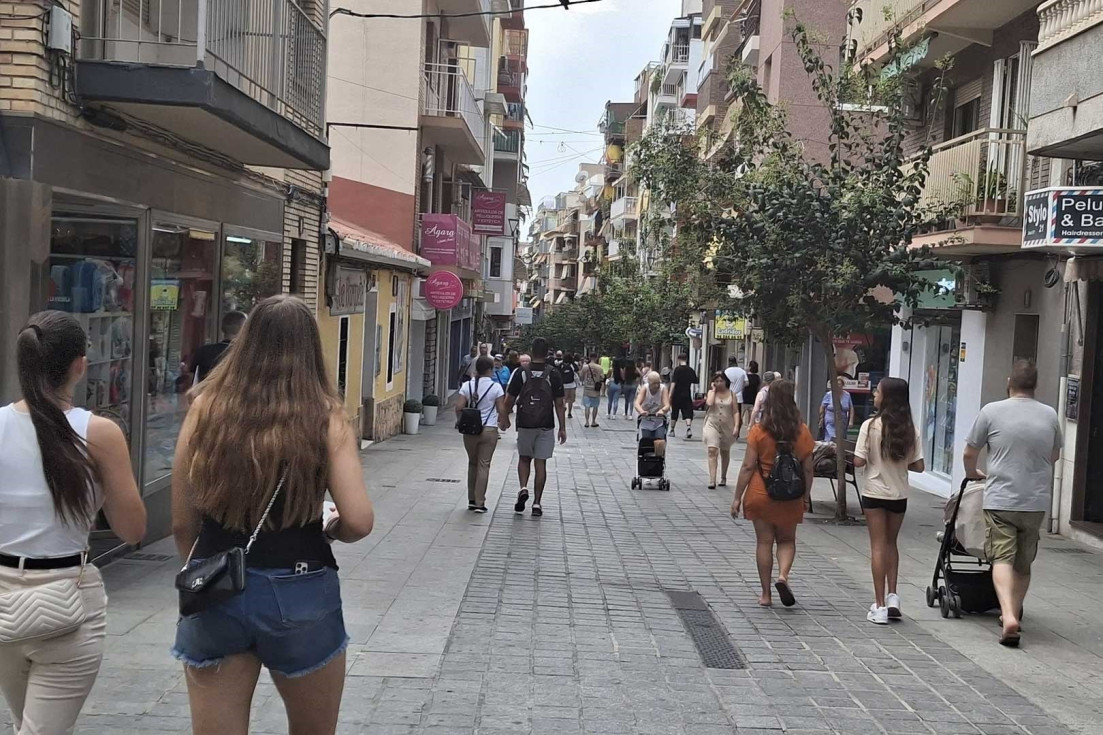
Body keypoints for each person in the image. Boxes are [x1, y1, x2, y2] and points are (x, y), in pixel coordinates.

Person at [171, 295, 375, 735]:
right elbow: (359, 519)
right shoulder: (325, 418)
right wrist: (331, 529)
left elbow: (182, 522)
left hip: (216, 587)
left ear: (245, 341)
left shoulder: (205, 409)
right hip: (300, 586)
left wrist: (209, 564)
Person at [0, 311, 147, 735]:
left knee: (24, 726)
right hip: (69, 601)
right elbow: (133, 530)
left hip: (4, 596)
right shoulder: (98, 432)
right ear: (79, 366)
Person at [963, 361, 1061, 648]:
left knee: (1002, 558)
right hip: (1035, 501)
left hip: (1001, 499)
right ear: (1035, 385)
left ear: (1009, 382)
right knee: (1024, 561)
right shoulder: (1050, 415)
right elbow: (1054, 454)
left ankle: (1007, 615)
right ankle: (1015, 609)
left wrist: (973, 473)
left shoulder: (991, 411)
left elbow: (970, 452)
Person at [731, 379, 814, 608]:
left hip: (761, 492)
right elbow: (808, 467)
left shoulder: (759, 430)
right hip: (791, 494)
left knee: (764, 543)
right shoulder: (802, 431)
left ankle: (766, 594)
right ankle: (783, 576)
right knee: (787, 540)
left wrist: (737, 497)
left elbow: (748, 466)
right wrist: (806, 495)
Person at [852, 378, 924, 625]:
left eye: (878, 392)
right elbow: (919, 465)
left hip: (874, 492)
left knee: (877, 546)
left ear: (886, 398)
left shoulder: (870, 426)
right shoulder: (909, 429)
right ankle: (894, 596)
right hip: (899, 494)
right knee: (892, 544)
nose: (874, 394)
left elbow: (859, 462)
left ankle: (879, 605)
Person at [500, 337, 566, 518]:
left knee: (524, 458)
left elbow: (510, 398)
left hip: (525, 423)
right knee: (540, 463)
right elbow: (559, 403)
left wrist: (504, 418)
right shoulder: (553, 374)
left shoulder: (522, 372)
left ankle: (523, 488)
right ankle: (537, 503)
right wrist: (562, 427)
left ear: (532, 351)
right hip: (545, 424)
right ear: (547, 353)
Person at [455, 356, 505, 514]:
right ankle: (479, 502)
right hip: (489, 429)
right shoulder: (496, 387)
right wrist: (503, 422)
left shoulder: (467, 385)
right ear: (490, 370)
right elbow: (501, 409)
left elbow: (458, 407)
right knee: (484, 465)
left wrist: (459, 421)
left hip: (470, 430)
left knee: (472, 463)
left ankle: (470, 499)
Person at [703, 372, 738, 488]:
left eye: (721, 381)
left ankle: (723, 477)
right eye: (716, 381)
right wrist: (713, 390)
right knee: (712, 450)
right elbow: (709, 403)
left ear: (726, 381)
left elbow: (735, 412)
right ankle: (712, 479)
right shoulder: (711, 393)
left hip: (727, 426)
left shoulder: (732, 394)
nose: (719, 383)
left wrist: (737, 426)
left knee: (725, 451)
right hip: (712, 424)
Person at [190, 310, 246, 384]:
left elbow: (191, 379)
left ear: (222, 327)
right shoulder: (246, 354)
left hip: (206, 394)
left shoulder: (203, 351)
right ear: (244, 329)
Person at [635, 371, 671, 457]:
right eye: (654, 383)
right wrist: (641, 411)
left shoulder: (662, 389)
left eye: (658, 383)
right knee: (647, 443)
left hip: (659, 421)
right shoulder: (645, 388)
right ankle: (646, 461)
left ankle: (659, 460)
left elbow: (667, 405)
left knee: (659, 441)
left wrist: (662, 411)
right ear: (649, 383)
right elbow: (637, 404)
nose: (657, 386)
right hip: (646, 420)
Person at [670, 354, 698, 439]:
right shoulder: (690, 370)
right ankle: (688, 428)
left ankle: (672, 430)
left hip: (677, 394)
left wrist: (670, 394)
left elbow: (673, 383)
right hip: (687, 394)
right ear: (686, 359)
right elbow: (695, 380)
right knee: (688, 412)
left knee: (675, 411)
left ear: (679, 359)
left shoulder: (677, 370)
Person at [819, 376, 854, 441]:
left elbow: (851, 408)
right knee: (832, 438)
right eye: (837, 384)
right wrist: (821, 418)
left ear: (843, 385)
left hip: (842, 422)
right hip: (830, 421)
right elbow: (822, 407)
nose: (838, 386)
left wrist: (851, 421)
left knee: (840, 440)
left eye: (840, 384)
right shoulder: (829, 394)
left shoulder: (847, 395)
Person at [723, 356, 748, 438]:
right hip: (739, 396)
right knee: (738, 414)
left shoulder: (726, 371)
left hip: (728, 395)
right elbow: (747, 383)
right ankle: (737, 431)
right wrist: (741, 387)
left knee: (727, 414)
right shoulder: (742, 371)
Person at [579, 353, 605, 428]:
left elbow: (581, 377)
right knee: (595, 406)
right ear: (596, 357)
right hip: (595, 390)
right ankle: (593, 421)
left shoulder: (585, 367)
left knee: (587, 406)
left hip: (587, 389)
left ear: (589, 357)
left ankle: (587, 422)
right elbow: (602, 378)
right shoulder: (599, 368)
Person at [741, 361, 761, 431]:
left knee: (740, 416)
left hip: (744, 399)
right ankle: (750, 434)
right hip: (753, 400)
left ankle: (737, 433)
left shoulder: (745, 376)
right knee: (751, 419)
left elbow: (742, 387)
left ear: (749, 367)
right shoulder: (757, 378)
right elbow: (758, 388)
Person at [558, 352, 578, 420]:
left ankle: (563, 408)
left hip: (563, 385)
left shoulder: (561, 365)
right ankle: (569, 412)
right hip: (572, 385)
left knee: (564, 398)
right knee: (571, 400)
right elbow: (577, 371)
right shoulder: (573, 365)